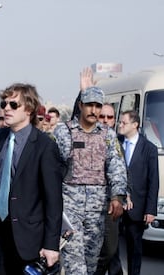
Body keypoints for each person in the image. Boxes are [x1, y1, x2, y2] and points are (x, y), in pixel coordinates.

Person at [0, 83, 64, 274]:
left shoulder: (44, 146)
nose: (6, 108)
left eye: (13, 105)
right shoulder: (1, 137)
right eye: (4, 103)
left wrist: (51, 245)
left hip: (28, 237)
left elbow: (53, 200)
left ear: (29, 109)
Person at [53, 85, 127, 274]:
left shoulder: (108, 135)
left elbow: (116, 166)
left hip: (97, 211)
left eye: (97, 105)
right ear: (80, 105)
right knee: (74, 264)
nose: (94, 110)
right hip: (70, 209)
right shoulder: (64, 132)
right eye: (89, 105)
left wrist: (117, 196)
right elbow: (52, 168)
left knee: (92, 263)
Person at [73, 68, 127, 275]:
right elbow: (75, 123)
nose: (103, 118)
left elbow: (120, 169)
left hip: (109, 204)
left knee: (110, 249)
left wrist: (121, 195)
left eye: (108, 116)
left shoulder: (112, 139)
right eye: (100, 114)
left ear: (114, 119)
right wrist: (83, 91)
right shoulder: (75, 133)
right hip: (81, 205)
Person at [118, 110, 159, 275]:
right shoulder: (116, 143)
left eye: (124, 123)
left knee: (134, 247)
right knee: (111, 248)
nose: (120, 125)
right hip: (116, 204)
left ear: (135, 125)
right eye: (120, 122)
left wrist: (150, 209)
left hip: (138, 207)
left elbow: (153, 180)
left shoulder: (149, 149)